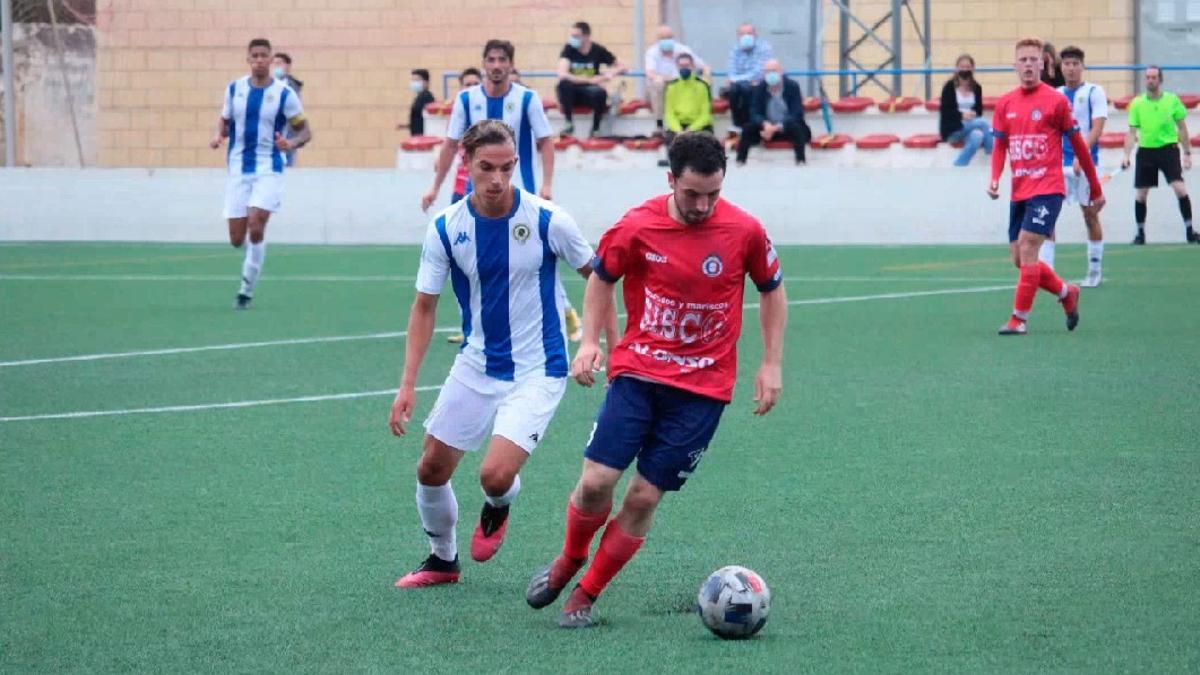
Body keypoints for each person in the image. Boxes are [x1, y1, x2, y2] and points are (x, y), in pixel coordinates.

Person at [524, 131, 788, 628]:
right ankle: (569, 559)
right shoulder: (637, 225)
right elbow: (602, 277)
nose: (703, 205)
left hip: (704, 390)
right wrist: (588, 344)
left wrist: (771, 363)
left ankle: (584, 595)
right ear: (671, 180)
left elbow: (772, 290)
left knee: (644, 496)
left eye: (713, 193)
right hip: (639, 372)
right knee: (597, 480)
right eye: (692, 194)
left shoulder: (746, 230)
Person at [389, 120, 614, 588]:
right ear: (466, 165)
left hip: (540, 368)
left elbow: (600, 277)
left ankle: (498, 506)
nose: (497, 179)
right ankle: (442, 561)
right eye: (486, 168)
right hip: (477, 363)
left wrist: (597, 341)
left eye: (506, 168)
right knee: (430, 467)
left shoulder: (548, 219)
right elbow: (423, 308)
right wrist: (407, 384)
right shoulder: (447, 229)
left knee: (493, 477)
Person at [988, 38, 1104, 336]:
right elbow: (1000, 146)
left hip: (1049, 189)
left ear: (1043, 64)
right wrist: (995, 178)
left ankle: (1019, 319)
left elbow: (1079, 145)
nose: (1028, 64)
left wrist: (1095, 187)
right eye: (1022, 59)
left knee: (1028, 247)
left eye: (1033, 59)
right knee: (1019, 259)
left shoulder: (1055, 101)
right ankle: (1067, 292)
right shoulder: (1005, 103)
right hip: (1020, 192)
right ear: (1015, 66)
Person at [210, 38, 311, 310]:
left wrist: (291, 143)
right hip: (238, 169)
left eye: (264, 55)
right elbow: (226, 119)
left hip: (270, 168)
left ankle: (246, 290)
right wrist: (219, 134)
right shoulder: (234, 89)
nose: (259, 60)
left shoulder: (284, 94)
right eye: (254, 55)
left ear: (271, 59)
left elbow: (304, 130)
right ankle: (250, 262)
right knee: (235, 239)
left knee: (257, 223)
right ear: (248, 59)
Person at [1040, 46, 1108, 286]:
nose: (1071, 68)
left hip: (1086, 164)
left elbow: (1098, 128)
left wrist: (1083, 153)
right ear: (1061, 67)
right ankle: (1046, 272)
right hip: (1058, 166)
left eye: (1075, 64)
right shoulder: (1055, 93)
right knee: (1047, 217)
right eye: (1067, 64)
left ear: (1082, 66)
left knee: (1090, 215)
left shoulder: (1094, 92)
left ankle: (1094, 270)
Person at [1122, 66, 1198, 245]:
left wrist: (1187, 153)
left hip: (1168, 150)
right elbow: (1132, 132)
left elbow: (1182, 128)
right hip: (1146, 151)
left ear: (1160, 79)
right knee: (1141, 194)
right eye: (1148, 77)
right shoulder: (1137, 104)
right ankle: (1140, 234)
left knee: (1180, 189)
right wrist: (1126, 155)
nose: (1150, 80)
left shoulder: (1172, 100)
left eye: (1154, 77)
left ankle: (1190, 230)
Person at [556, 21, 626, 137]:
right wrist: (590, 80)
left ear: (586, 36)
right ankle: (569, 124)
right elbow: (562, 74)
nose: (572, 39)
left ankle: (595, 129)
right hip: (572, 92)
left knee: (600, 93)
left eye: (576, 36)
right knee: (564, 85)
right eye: (572, 36)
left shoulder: (597, 50)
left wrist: (610, 73)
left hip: (589, 93)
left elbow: (622, 66)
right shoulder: (568, 49)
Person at [735, 59, 810, 165]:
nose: (771, 74)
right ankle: (740, 162)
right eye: (767, 71)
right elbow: (754, 112)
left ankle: (801, 161)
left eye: (774, 71)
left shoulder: (792, 86)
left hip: (786, 127)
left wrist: (777, 127)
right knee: (747, 129)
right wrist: (765, 124)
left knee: (797, 128)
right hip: (766, 128)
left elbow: (797, 113)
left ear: (781, 71)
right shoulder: (760, 88)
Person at [644, 24, 709, 134]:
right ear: (657, 40)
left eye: (669, 37)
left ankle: (698, 122)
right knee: (657, 84)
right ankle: (659, 124)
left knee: (701, 84)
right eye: (663, 38)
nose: (666, 40)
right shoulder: (652, 52)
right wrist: (666, 79)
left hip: (682, 85)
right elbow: (650, 73)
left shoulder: (683, 50)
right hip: (664, 84)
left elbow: (704, 67)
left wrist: (706, 77)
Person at [939, 54, 991, 167]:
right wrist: (962, 115)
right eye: (962, 66)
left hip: (971, 125)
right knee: (983, 123)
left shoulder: (977, 87)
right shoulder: (949, 87)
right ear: (957, 68)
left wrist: (973, 114)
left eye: (968, 67)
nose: (965, 69)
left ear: (972, 68)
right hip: (953, 128)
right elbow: (946, 112)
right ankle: (991, 155)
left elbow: (979, 110)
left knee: (977, 136)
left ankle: (958, 166)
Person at [726, 23, 773, 134]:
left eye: (749, 33)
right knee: (734, 89)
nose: (746, 36)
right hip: (741, 83)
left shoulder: (764, 47)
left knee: (746, 87)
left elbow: (758, 72)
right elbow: (732, 70)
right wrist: (737, 80)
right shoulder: (735, 49)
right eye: (743, 34)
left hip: (759, 82)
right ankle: (736, 124)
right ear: (738, 36)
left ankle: (750, 124)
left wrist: (737, 79)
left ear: (755, 34)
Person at [662, 54, 714, 146]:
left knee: (705, 142)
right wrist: (678, 130)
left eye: (687, 65)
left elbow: (705, 114)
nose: (684, 68)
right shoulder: (672, 87)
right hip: (678, 127)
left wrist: (690, 130)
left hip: (699, 127)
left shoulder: (702, 86)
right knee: (671, 140)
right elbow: (669, 113)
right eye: (681, 66)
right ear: (677, 67)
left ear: (692, 66)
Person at [272, 52, 304, 167]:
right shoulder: (268, 84)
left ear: (287, 66)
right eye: (274, 64)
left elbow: (297, 112)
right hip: (272, 133)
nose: (276, 67)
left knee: (288, 168)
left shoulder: (294, 87)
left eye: (279, 63)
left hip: (289, 134)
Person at [401, 68, 436, 137]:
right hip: (417, 135)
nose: (414, 83)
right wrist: (408, 125)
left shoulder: (426, 96)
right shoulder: (419, 97)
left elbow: (427, 119)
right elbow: (418, 118)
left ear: (426, 82)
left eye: (417, 80)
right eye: (413, 80)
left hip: (423, 137)